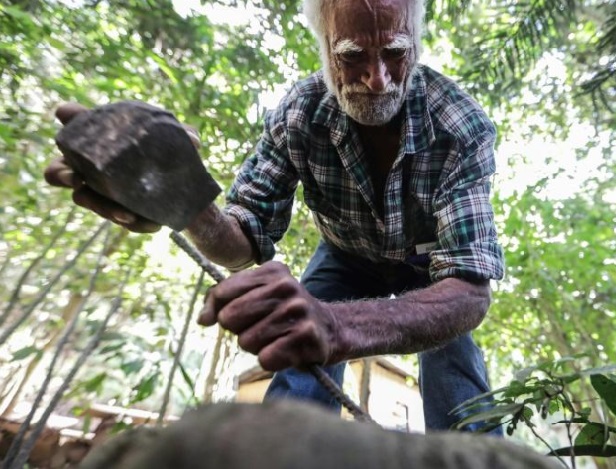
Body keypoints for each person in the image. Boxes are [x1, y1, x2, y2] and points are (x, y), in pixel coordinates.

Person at [45, 0, 504, 432]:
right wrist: (183, 202)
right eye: (351, 55)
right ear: (324, 48)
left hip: (430, 266)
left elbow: (468, 290)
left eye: (396, 51)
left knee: (455, 365)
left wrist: (339, 325)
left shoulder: (460, 125)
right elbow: (242, 239)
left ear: (417, 44)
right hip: (344, 255)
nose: (378, 79)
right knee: (298, 359)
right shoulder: (300, 113)